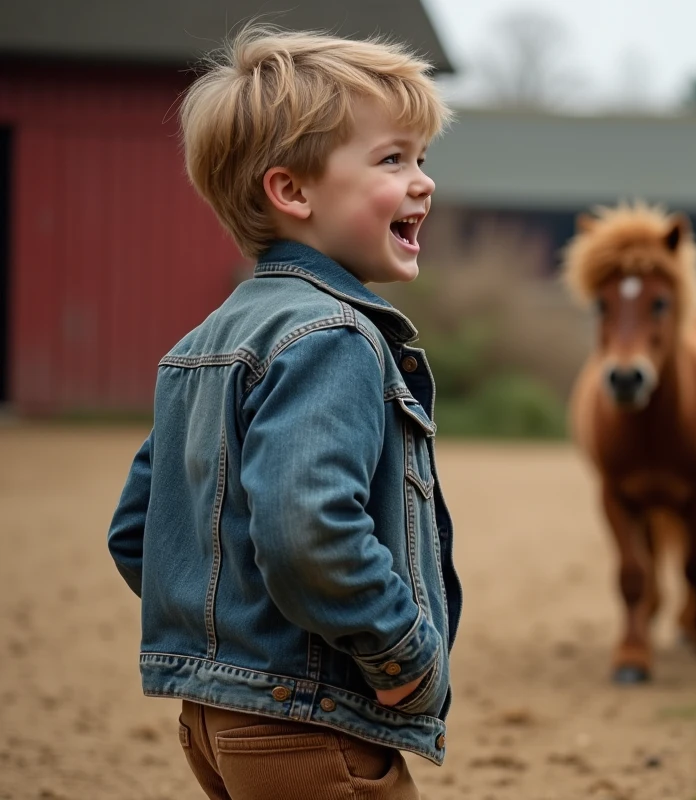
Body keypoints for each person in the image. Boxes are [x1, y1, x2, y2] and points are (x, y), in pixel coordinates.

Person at [106, 23, 461, 800]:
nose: (423, 180)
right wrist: (398, 655)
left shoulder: (205, 338)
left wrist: (228, 641)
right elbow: (309, 529)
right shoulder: (334, 338)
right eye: (392, 158)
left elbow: (140, 533)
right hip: (309, 722)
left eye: (422, 157)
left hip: (214, 720)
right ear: (292, 191)